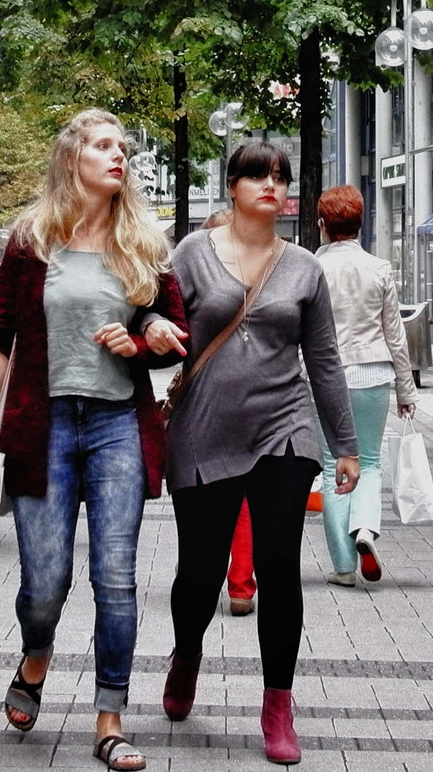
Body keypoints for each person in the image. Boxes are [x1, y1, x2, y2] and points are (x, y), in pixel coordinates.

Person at [0, 109, 189, 769]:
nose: (118, 156)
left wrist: (145, 340)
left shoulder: (143, 238)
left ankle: (108, 719)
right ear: (72, 159)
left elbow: (171, 327)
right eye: (103, 146)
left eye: (121, 148)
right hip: (45, 425)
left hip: (117, 421)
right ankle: (35, 656)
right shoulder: (33, 239)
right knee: (44, 582)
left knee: (114, 577)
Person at [160, 140, 359, 766]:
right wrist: (151, 331)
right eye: (257, 176)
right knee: (200, 570)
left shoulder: (304, 267)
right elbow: (151, 315)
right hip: (205, 428)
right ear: (232, 187)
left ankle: (278, 704)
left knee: (278, 566)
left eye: (280, 176)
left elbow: (323, 359)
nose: (271, 186)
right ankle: (186, 652)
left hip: (285, 428)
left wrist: (344, 445)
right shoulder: (191, 254)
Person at [315, 185, 418, 587]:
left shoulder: (312, 268)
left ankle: (343, 568)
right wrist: (407, 391)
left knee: (331, 467)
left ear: (323, 225)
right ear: (360, 224)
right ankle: (364, 529)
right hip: (373, 373)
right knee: (370, 462)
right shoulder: (379, 269)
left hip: (324, 377)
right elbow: (396, 336)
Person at [199, 208, 257, 618]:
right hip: (255, 401)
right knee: (244, 502)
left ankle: (204, 574)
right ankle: (241, 585)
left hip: (207, 404)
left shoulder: (197, 282)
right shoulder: (263, 276)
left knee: (205, 495)